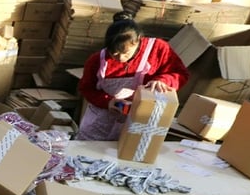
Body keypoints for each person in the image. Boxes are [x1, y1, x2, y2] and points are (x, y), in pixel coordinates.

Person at [77, 12, 189, 141]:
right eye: (114, 53)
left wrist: (163, 81)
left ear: (138, 40)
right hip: (100, 123)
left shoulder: (158, 49)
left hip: (138, 124)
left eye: (125, 53)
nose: (120, 58)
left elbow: (181, 74)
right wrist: (108, 102)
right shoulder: (97, 60)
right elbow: (86, 88)